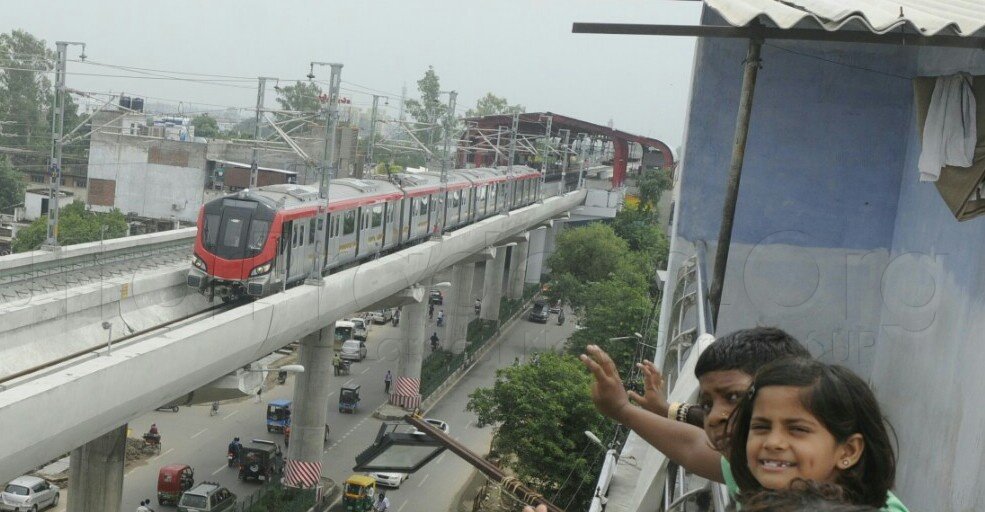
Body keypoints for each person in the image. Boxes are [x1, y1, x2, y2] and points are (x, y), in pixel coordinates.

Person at [580, 345, 908, 511]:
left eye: (797, 429)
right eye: (761, 427)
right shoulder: (775, 476)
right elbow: (694, 447)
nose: (772, 442)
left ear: (848, 451)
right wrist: (621, 409)